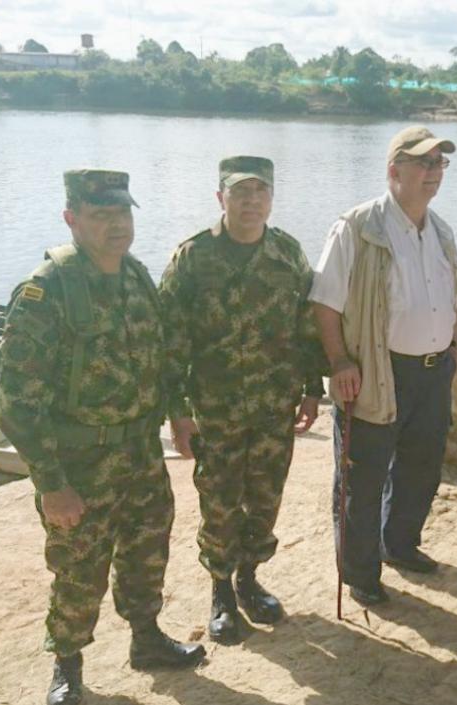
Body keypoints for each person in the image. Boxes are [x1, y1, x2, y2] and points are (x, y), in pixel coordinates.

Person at [0, 169, 204, 705]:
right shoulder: (46, 293)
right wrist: (51, 484)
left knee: (147, 553)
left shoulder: (136, 277)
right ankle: (67, 668)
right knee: (78, 570)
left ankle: (147, 639)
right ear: (72, 219)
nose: (117, 225)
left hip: (140, 454)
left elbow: (162, 361)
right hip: (80, 465)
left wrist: (179, 414)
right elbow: (18, 404)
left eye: (123, 213)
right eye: (101, 215)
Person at [159, 156, 324, 644]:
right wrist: (177, 411)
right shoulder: (193, 258)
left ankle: (249, 579)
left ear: (270, 198)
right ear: (220, 198)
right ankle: (221, 593)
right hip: (216, 409)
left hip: (274, 407)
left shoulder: (288, 253)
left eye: (260, 192)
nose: (251, 201)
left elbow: (306, 328)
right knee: (220, 501)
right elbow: (170, 341)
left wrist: (313, 389)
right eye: (240, 192)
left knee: (265, 498)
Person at [311, 126, 457, 606]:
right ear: (393, 170)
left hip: (434, 371)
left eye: (439, 164)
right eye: (422, 163)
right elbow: (325, 303)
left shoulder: (440, 230)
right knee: (363, 476)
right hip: (377, 372)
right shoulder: (358, 228)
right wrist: (338, 362)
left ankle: (399, 545)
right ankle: (360, 572)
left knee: (421, 468)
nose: (432, 173)